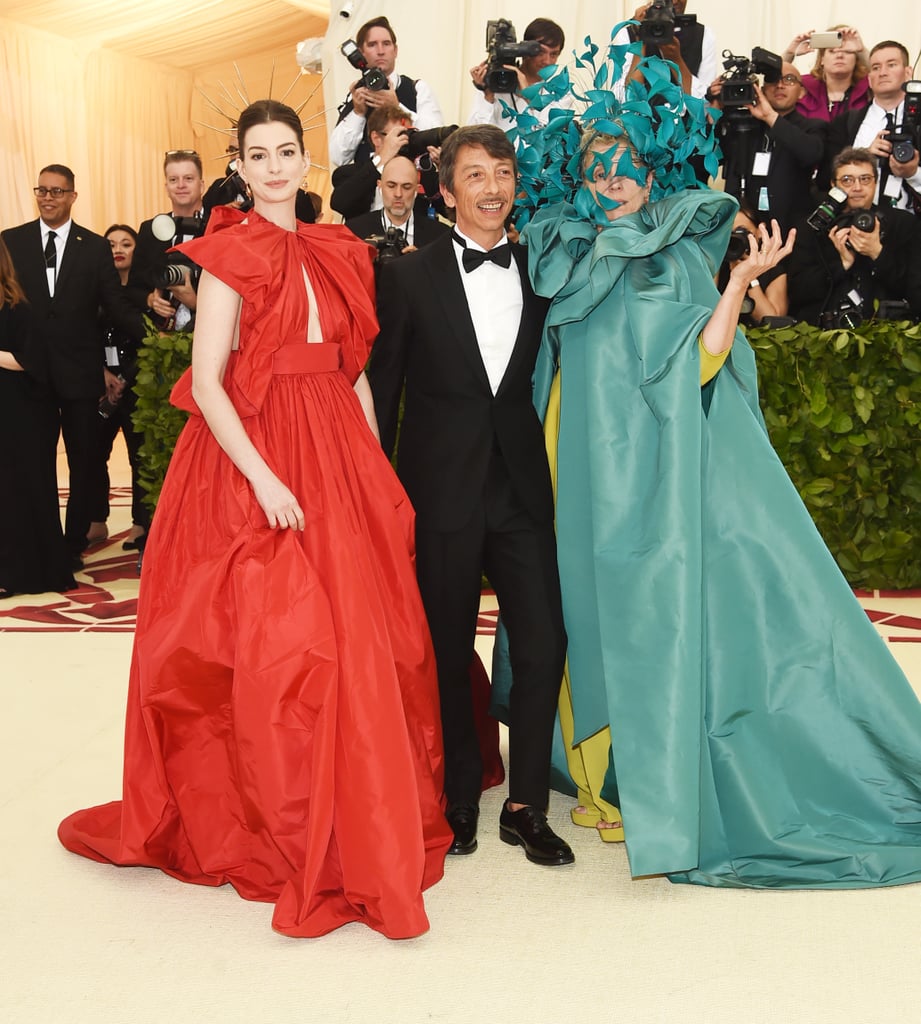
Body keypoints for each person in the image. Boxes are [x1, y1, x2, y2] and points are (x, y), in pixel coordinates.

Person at [501, 46, 921, 888]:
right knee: (574, 612)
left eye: (624, 165)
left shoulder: (678, 254)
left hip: (646, 468)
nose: (612, 178)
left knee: (641, 617)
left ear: (651, 171)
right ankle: (589, 777)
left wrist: (739, 284)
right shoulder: (555, 251)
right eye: (596, 165)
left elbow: (700, 357)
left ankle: (633, 777)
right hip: (566, 457)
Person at [57, 99, 452, 939]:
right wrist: (268, 480)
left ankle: (356, 806)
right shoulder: (227, 257)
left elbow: (354, 372)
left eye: (286, 152)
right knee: (278, 644)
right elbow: (207, 385)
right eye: (258, 155)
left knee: (359, 634)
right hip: (254, 458)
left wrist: (375, 463)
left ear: (306, 160)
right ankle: (279, 815)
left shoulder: (343, 249)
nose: (274, 168)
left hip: (338, 449)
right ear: (239, 163)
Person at [370, 124, 572, 868]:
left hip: (519, 485)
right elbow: (383, 390)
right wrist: (379, 495)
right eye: (476, 175)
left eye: (504, 173)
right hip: (437, 488)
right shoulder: (406, 275)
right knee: (447, 648)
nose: (493, 187)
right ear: (446, 192)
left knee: (545, 641)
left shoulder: (542, 270)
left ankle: (525, 805)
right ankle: (458, 792)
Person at [2, 165, 145, 570]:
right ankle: (42, 540)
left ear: (73, 196)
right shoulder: (11, 242)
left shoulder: (94, 246)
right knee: (36, 460)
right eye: (42, 190)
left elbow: (113, 306)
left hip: (80, 374)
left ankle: (73, 540)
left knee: (84, 460)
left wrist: (153, 332)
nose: (48, 198)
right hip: (28, 374)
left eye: (57, 192)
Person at [0, 238, 76, 599]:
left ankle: (20, 574)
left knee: (17, 493)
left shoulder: (17, 309)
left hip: (20, 418)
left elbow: (31, 362)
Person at [787, 147, 921, 325]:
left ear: (876, 182)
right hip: (824, 333)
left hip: (887, 332)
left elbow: (914, 292)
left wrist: (877, 253)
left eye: (865, 179)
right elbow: (798, 293)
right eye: (847, 180)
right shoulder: (812, 226)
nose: (857, 188)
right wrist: (841, 265)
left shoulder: (903, 224)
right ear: (834, 186)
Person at [86, 225, 150, 550]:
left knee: (140, 457)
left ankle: (140, 524)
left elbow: (151, 341)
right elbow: (84, 339)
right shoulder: (93, 292)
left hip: (137, 386)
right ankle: (97, 521)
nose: (118, 249)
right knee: (94, 452)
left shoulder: (146, 294)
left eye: (126, 243)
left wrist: (125, 378)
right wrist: (103, 375)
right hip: (101, 386)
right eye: (110, 244)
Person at [710, 61, 825, 232]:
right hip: (743, 228)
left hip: (791, 230)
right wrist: (716, 107)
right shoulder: (742, 125)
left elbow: (811, 154)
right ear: (761, 89)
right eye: (772, 79)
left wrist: (770, 117)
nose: (780, 85)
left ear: (802, 92)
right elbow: (711, 153)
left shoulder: (812, 127)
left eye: (789, 79)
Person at [329, 15, 443, 168]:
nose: (381, 51)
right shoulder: (356, 96)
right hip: (369, 188)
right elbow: (338, 157)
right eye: (372, 45)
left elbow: (436, 138)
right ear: (360, 52)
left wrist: (397, 107)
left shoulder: (416, 88)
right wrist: (358, 113)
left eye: (386, 44)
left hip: (413, 186)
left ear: (395, 50)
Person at [823, 41, 921, 213]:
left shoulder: (918, 120)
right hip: (856, 222)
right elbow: (826, 179)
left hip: (912, 226)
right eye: (875, 67)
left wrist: (913, 174)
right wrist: (863, 156)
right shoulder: (846, 122)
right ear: (869, 79)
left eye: (891, 65)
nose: (883, 73)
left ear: (908, 73)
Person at [129, 149, 206, 332]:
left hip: (208, 337)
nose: (181, 185)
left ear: (201, 185)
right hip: (161, 340)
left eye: (188, 178)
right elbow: (133, 288)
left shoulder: (220, 229)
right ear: (166, 188)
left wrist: (196, 303)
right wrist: (150, 300)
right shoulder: (150, 229)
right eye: (173, 180)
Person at [468, 18, 571, 133]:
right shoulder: (495, 81)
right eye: (540, 52)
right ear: (525, 50)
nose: (547, 61)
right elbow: (474, 135)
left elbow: (549, 139)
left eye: (554, 54)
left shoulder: (561, 92)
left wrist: (530, 97)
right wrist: (487, 96)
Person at [615, 1, 718, 100]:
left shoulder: (704, 35)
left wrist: (676, 60)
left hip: (685, 117)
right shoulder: (627, 35)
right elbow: (625, 100)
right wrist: (641, 38)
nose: (675, 2)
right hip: (643, 116)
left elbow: (706, 103)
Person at [345, 155, 448, 252]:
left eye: (406, 187)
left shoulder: (440, 236)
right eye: (391, 186)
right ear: (379, 186)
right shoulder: (354, 232)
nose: (398, 194)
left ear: (417, 190)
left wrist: (420, 264)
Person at [781, 25, 870, 122]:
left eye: (847, 51)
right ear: (822, 59)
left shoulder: (869, 88)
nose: (839, 55)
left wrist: (862, 51)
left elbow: (882, 71)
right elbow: (771, 85)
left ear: (856, 59)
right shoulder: (803, 86)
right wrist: (789, 53)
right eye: (832, 51)